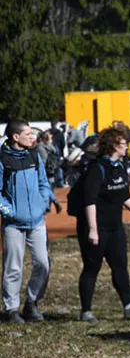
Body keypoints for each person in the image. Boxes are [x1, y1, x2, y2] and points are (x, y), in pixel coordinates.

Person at [76, 128, 130, 322]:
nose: (126, 146)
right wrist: (93, 229)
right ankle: (86, 311)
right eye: (122, 143)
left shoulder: (118, 166)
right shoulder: (96, 168)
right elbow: (89, 200)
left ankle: (129, 306)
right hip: (96, 227)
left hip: (115, 227)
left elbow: (124, 195)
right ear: (112, 146)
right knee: (92, 268)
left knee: (120, 266)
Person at [0, 120, 52, 323]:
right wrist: (9, 211)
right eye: (28, 134)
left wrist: (43, 202)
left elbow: (43, 183)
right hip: (13, 224)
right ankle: (12, 309)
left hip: (37, 221)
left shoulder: (34, 155)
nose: (33, 137)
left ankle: (32, 302)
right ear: (15, 137)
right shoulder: (3, 159)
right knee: (13, 266)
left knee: (43, 263)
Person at [35, 130, 62, 213]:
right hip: (53, 169)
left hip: (46, 170)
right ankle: (51, 203)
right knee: (50, 187)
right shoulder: (52, 146)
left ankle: (49, 205)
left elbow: (43, 160)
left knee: (45, 187)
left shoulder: (40, 147)